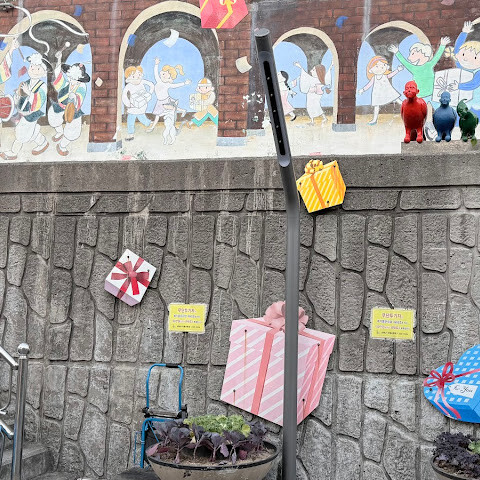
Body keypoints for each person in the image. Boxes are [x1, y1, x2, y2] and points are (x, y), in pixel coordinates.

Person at [388, 37, 450, 137]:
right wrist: (397, 52)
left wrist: (442, 45)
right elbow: (405, 62)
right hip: (421, 96)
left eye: (413, 54)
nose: (410, 57)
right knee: (422, 112)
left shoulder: (429, 65)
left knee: (437, 110)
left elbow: (437, 57)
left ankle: (435, 126)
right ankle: (423, 128)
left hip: (431, 94)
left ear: (422, 54)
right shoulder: (414, 68)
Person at [0, 53, 49, 160]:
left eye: (38, 69)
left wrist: (29, 93)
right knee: (30, 132)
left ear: (44, 73)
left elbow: (39, 101)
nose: (33, 70)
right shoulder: (26, 82)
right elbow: (20, 95)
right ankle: (43, 142)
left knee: (21, 132)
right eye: (32, 67)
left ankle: (13, 152)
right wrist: (17, 98)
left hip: (33, 113)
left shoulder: (43, 86)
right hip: (24, 112)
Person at [48, 48, 91, 156]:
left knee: (73, 131)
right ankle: (59, 132)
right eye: (70, 77)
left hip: (73, 110)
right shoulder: (67, 83)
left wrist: (74, 97)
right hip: (61, 106)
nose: (71, 80)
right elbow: (58, 75)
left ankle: (62, 145)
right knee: (52, 115)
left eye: (74, 78)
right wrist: (59, 59)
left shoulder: (82, 86)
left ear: (79, 79)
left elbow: (79, 98)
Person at [147, 58, 191, 133]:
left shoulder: (167, 84)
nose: (164, 76)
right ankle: (152, 127)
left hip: (166, 100)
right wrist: (156, 64)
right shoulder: (158, 80)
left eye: (167, 76)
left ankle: (154, 127)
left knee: (168, 111)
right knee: (158, 115)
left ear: (170, 78)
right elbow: (155, 73)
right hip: (159, 101)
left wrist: (184, 83)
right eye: (163, 74)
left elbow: (175, 85)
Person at [358, 56, 403, 125]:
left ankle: (408, 107)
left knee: (397, 99)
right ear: (371, 70)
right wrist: (363, 90)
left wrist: (398, 70)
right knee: (376, 106)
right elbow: (369, 85)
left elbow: (391, 75)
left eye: (383, 66)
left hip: (388, 91)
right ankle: (374, 120)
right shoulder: (374, 78)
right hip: (378, 94)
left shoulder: (385, 76)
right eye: (377, 66)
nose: (380, 67)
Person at [449, 21, 480, 117]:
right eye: (463, 54)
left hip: (476, 102)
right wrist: (464, 33)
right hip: (465, 101)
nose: (466, 59)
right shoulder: (461, 66)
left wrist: (459, 86)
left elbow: (473, 84)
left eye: (475, 57)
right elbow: (457, 50)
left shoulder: (478, 72)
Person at [121, 66, 154, 141]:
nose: (137, 77)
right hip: (133, 105)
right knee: (132, 118)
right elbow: (124, 95)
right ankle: (131, 133)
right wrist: (128, 104)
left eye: (139, 75)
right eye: (133, 76)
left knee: (140, 117)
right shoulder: (129, 85)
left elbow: (151, 85)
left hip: (142, 104)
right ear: (129, 78)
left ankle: (148, 123)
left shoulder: (142, 82)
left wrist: (149, 93)